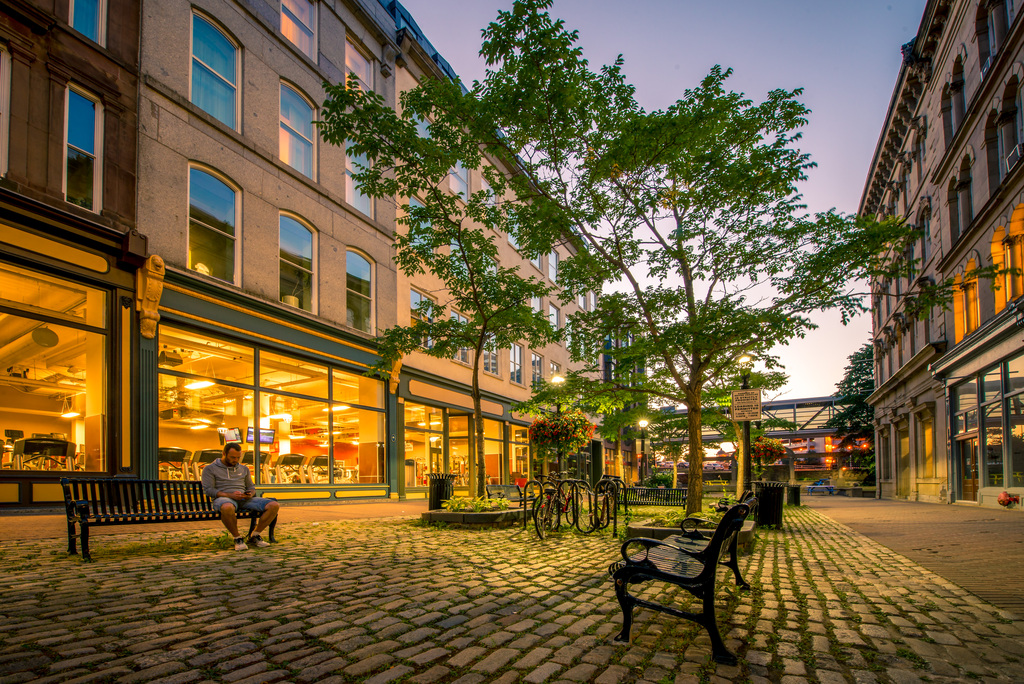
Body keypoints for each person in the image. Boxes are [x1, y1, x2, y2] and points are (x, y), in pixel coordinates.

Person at [201, 442, 279, 551]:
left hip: (243, 499)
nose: (236, 460)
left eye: (238, 457)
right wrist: (230, 495)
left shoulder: (244, 469)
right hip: (224, 499)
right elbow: (209, 490)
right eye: (232, 457)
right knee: (227, 507)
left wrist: (249, 494)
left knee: (273, 505)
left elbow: (251, 487)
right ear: (224, 454)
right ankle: (237, 538)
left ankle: (254, 535)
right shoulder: (210, 469)